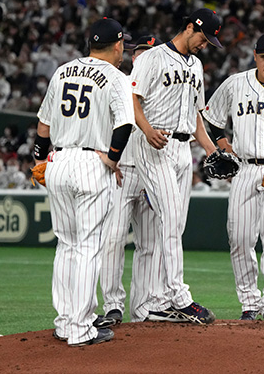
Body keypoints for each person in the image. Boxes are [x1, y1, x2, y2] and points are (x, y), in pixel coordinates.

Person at [33, 17, 135, 346]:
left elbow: (43, 126)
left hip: (58, 162)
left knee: (67, 244)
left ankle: (65, 321)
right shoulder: (116, 77)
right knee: (89, 247)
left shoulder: (62, 71)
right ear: (117, 45)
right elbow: (125, 126)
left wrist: (38, 160)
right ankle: (80, 327)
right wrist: (112, 157)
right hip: (91, 162)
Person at [129, 8, 223, 324]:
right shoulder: (152, 58)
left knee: (173, 226)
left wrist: (211, 150)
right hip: (154, 145)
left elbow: (197, 114)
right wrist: (146, 129)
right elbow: (131, 99)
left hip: (184, 150)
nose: (205, 44)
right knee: (169, 218)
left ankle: (156, 303)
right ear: (188, 28)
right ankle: (179, 297)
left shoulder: (196, 64)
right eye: (204, 37)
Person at [203, 32, 264, 321]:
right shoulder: (235, 84)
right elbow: (211, 118)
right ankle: (249, 302)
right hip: (244, 167)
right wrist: (222, 144)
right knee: (240, 238)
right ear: (254, 56)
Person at [95, 35, 168, 326]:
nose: (142, 57)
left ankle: (145, 306)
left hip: (152, 168)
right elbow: (99, 122)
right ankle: (113, 305)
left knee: (150, 244)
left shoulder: (166, 89)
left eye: (148, 53)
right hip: (121, 169)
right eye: (138, 52)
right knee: (113, 240)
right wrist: (107, 158)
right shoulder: (116, 81)